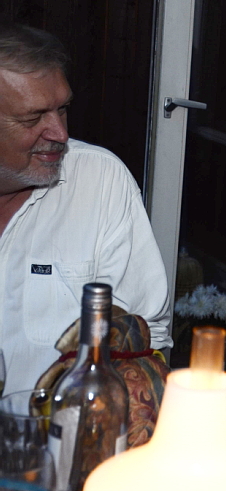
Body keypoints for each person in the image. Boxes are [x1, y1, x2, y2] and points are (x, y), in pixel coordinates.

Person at [0, 24, 171, 394]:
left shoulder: (100, 180)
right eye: (32, 119)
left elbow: (144, 336)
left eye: (62, 110)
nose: (60, 134)